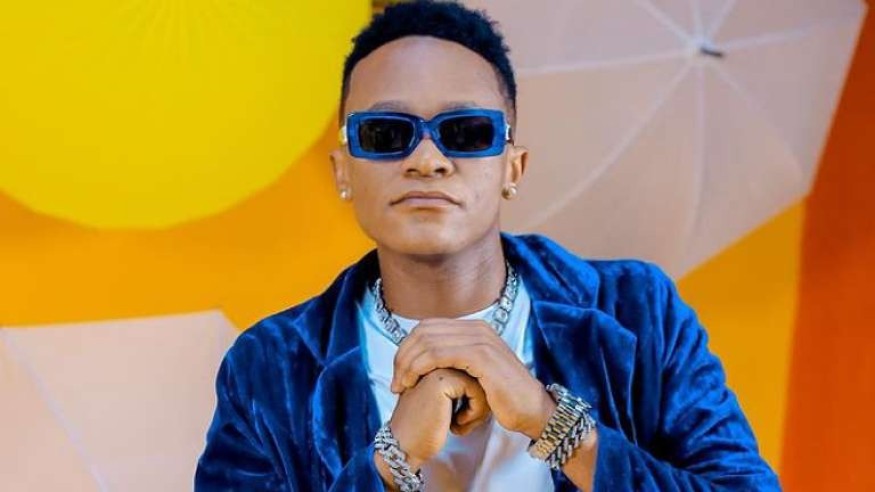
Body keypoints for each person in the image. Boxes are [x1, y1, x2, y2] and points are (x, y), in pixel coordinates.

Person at [195, 1, 780, 490]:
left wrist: (550, 421)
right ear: (344, 170)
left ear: (512, 167)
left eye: (466, 132)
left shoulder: (636, 313)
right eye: (386, 134)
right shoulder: (270, 366)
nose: (427, 160)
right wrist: (389, 463)